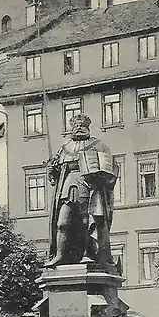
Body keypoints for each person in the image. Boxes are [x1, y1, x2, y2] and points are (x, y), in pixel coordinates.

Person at [46, 113, 118, 268]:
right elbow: (54, 177)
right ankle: (60, 255)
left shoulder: (99, 145)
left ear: (87, 127)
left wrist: (100, 177)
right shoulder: (64, 148)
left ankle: (88, 253)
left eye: (82, 125)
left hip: (89, 186)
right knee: (62, 223)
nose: (79, 128)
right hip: (67, 186)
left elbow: (111, 169)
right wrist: (52, 170)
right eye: (76, 125)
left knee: (87, 222)